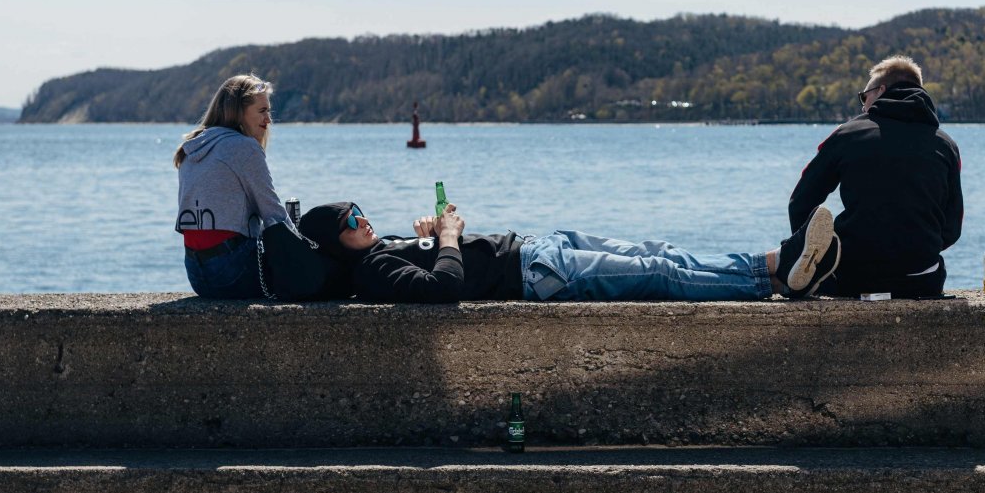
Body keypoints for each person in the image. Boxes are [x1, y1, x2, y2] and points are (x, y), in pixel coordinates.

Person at [296, 199, 840, 304]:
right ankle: (771, 280)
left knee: (659, 250)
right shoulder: (369, 272)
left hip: (538, 246)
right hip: (535, 274)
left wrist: (425, 232)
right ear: (333, 242)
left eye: (360, 211)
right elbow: (442, 289)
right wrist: (447, 237)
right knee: (656, 273)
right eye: (350, 221)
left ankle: (775, 263)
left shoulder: (380, 248)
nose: (363, 221)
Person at [786, 55, 962, 298]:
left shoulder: (848, 135)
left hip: (853, 278)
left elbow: (800, 202)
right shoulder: (946, 145)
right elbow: (952, 227)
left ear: (881, 90)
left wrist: (819, 257)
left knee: (773, 266)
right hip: (923, 280)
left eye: (864, 96)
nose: (862, 105)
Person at [173, 74, 288, 298]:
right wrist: (305, 250)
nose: (269, 119)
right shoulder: (242, 147)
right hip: (232, 272)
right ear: (239, 111)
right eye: (262, 111)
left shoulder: (191, 147)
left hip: (196, 274)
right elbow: (273, 213)